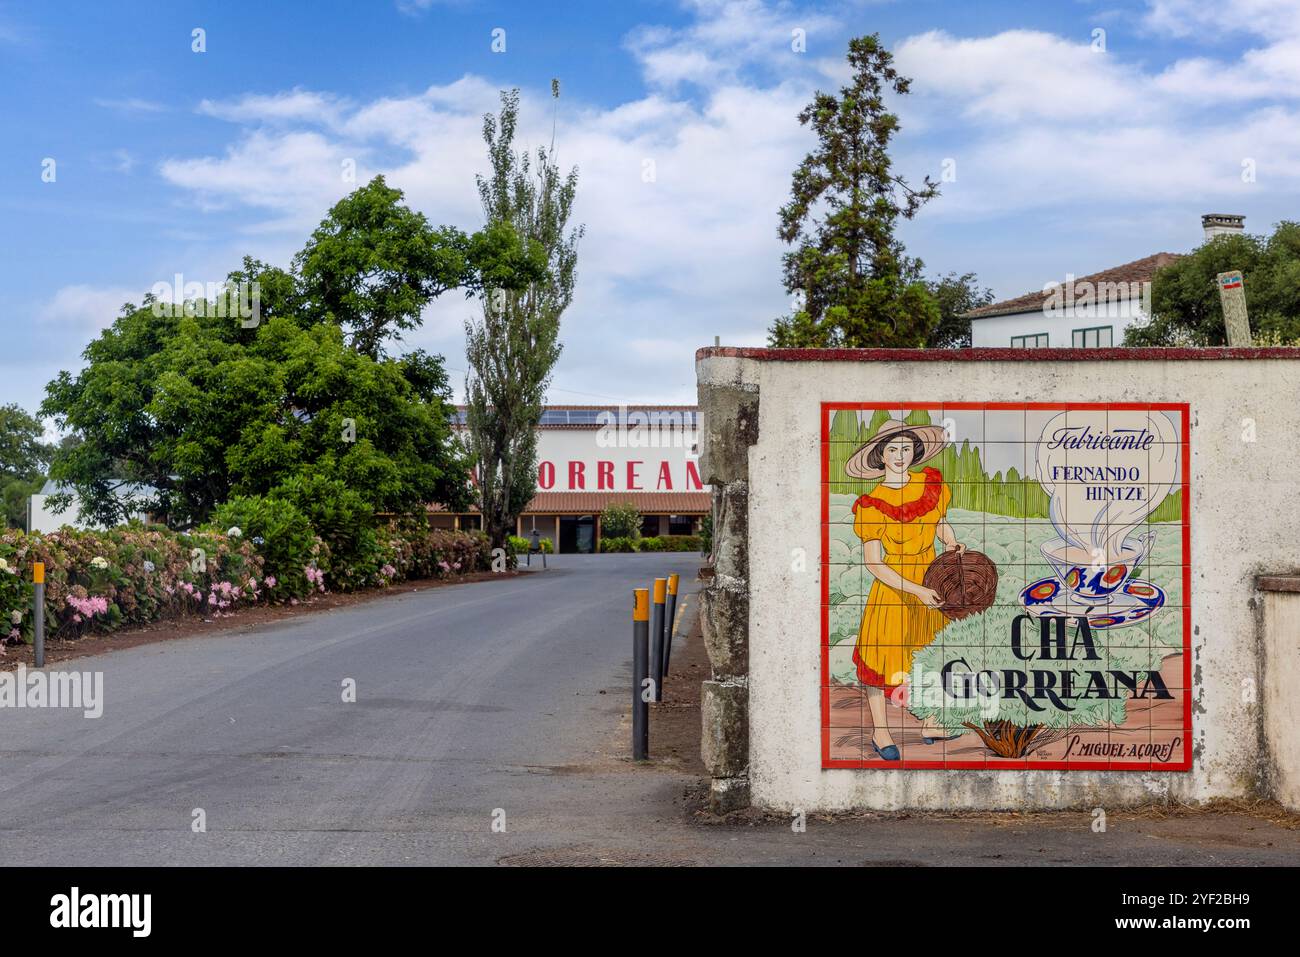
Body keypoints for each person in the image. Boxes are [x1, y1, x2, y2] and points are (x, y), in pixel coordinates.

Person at [845, 418, 965, 761]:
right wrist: (915, 590)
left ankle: (930, 722)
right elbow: (874, 563)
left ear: (916, 452)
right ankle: (880, 731)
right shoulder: (872, 503)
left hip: (930, 580)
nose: (900, 456)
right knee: (881, 657)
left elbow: (939, 522)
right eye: (893, 449)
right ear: (880, 456)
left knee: (928, 651)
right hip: (894, 588)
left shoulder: (929, 485)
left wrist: (951, 542)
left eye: (906, 448)